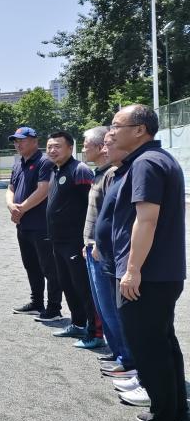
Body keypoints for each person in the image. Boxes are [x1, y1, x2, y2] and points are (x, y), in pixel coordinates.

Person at [109, 104, 189, 421]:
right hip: (160, 274)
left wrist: (132, 269)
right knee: (164, 345)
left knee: (150, 350)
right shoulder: (158, 159)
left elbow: (147, 220)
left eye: (117, 125)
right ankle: (178, 414)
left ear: (139, 130)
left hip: (147, 276)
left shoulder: (145, 163)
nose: (111, 131)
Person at [91, 131, 138, 382]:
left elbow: (139, 220)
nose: (104, 150)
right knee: (107, 308)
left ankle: (130, 363)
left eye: (109, 144)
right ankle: (121, 355)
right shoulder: (111, 174)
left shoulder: (134, 171)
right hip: (101, 250)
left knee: (120, 313)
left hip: (118, 256)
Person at [43, 131, 97, 343]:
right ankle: (78, 324)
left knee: (83, 287)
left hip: (76, 242)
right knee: (67, 284)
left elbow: (93, 206)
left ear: (70, 148)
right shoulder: (55, 170)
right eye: (49, 147)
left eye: (57, 146)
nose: (52, 150)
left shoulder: (80, 170)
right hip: (58, 241)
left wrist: (89, 239)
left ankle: (94, 333)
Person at [83, 127, 129, 359]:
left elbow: (113, 217)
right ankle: (116, 352)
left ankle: (125, 357)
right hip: (92, 249)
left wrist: (99, 245)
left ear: (101, 147)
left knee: (111, 308)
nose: (83, 149)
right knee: (102, 307)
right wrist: (87, 242)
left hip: (103, 252)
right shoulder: (100, 173)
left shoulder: (112, 175)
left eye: (86, 145)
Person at [6, 127, 61, 320]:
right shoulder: (18, 164)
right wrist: (11, 206)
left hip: (41, 225)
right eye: (16, 141)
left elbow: (43, 190)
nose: (17, 144)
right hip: (23, 225)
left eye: (22, 140)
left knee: (50, 268)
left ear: (35, 141)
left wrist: (20, 209)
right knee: (31, 266)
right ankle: (37, 303)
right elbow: (10, 188)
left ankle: (54, 308)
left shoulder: (45, 162)